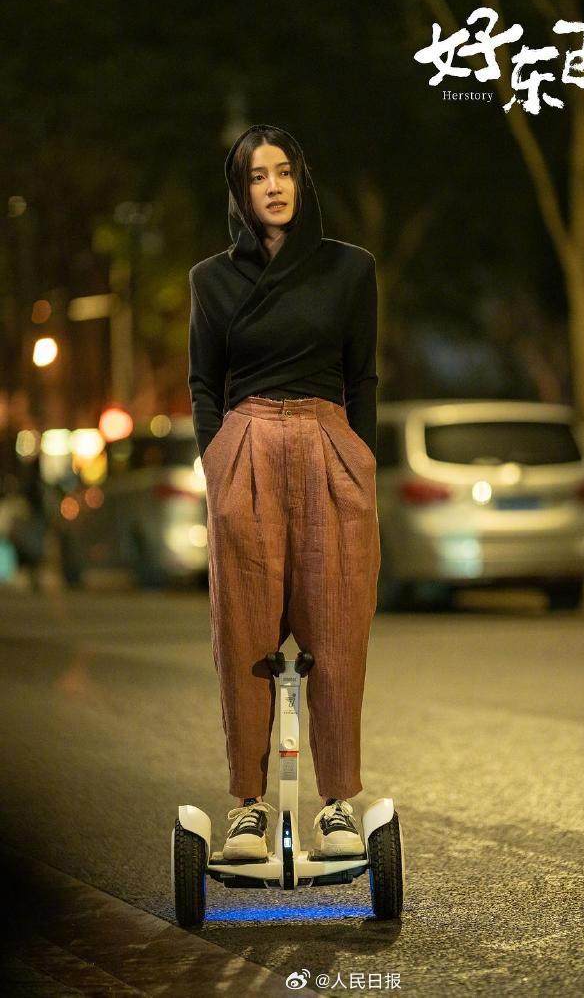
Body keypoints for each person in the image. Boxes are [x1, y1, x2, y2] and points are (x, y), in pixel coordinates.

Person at [188, 124, 380, 861]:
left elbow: (362, 377)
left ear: (302, 179)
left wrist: (360, 458)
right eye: (257, 176)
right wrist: (219, 463)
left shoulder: (349, 268)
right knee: (244, 635)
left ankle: (337, 803)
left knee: (337, 631)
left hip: (329, 443)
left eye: (284, 171)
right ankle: (247, 805)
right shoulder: (212, 279)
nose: (273, 186)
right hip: (247, 446)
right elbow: (204, 382)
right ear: (240, 193)